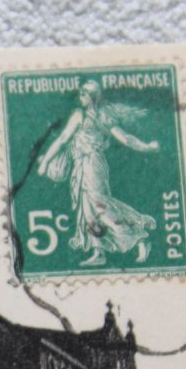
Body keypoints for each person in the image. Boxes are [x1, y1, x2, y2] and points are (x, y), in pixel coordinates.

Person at [36, 79, 160, 267]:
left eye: (84, 94)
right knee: (88, 209)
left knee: (100, 205)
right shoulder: (80, 114)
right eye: (81, 94)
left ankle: (139, 238)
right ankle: (99, 251)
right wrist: (46, 160)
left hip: (93, 164)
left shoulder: (100, 116)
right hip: (81, 164)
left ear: (93, 97)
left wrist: (146, 147)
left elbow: (125, 138)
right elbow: (62, 139)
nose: (81, 97)